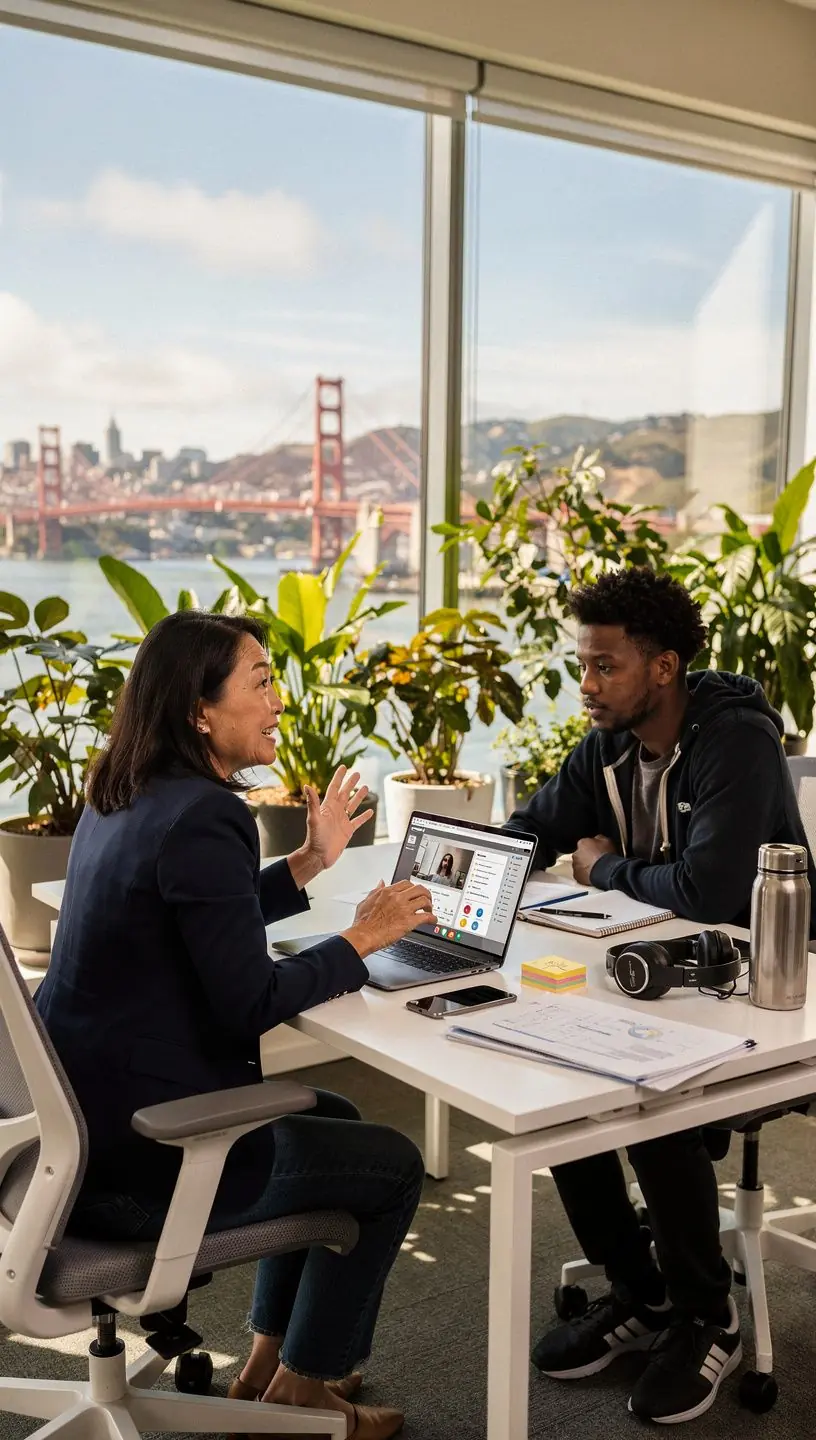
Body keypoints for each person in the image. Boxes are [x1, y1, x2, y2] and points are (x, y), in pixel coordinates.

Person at [35, 610, 439, 1440]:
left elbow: (197, 916)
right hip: (146, 1166)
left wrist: (309, 863)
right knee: (392, 1165)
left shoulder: (125, 793)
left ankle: (268, 1363)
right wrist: (362, 938)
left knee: (333, 1117)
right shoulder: (207, 816)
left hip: (79, 1135)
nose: (279, 701)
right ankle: (306, 1389)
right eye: (259, 682)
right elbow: (249, 1000)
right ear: (199, 710)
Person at [503, 566, 816, 1425]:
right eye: (583, 666)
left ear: (664, 666)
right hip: (655, 976)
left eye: (605, 667)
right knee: (559, 1081)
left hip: (761, 986)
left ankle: (706, 1313)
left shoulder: (735, 739)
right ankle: (641, 1293)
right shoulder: (604, 746)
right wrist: (452, 872)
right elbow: (530, 830)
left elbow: (711, 889)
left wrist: (602, 867)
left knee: (656, 1095)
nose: (587, 686)